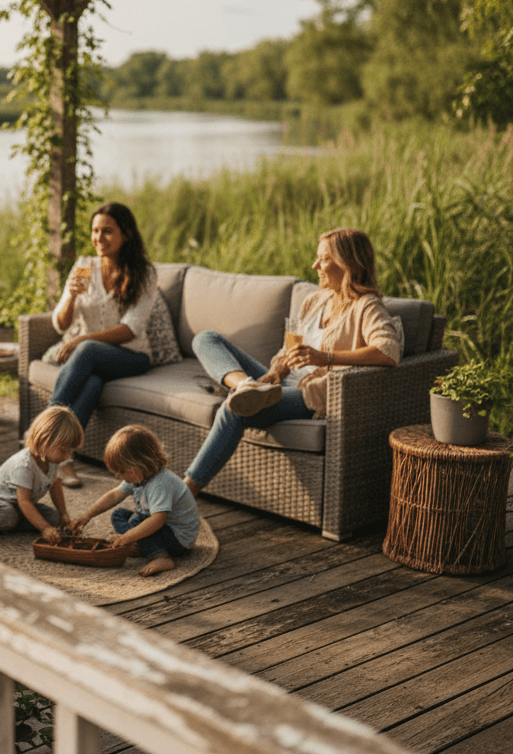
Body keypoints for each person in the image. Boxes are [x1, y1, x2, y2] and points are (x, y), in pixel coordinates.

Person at [183, 227, 401, 498]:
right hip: (279, 384)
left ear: (348, 263)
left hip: (311, 395)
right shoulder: (314, 300)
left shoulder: (366, 306)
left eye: (323, 259)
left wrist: (326, 357)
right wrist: (276, 370)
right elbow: (288, 350)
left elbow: (388, 350)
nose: (314, 265)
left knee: (233, 409)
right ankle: (247, 386)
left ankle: (185, 493)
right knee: (206, 338)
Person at [47, 202, 157, 488]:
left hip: (132, 357)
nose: (98, 238)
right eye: (95, 231)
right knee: (93, 383)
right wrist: (70, 296)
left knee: (86, 350)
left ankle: (43, 436)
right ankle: (62, 460)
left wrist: (83, 339)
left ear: (126, 234)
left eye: (107, 231)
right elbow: (60, 324)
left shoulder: (144, 273)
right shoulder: (85, 267)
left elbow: (131, 329)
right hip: (92, 359)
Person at [69, 425, 199, 577]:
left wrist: (128, 536)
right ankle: (144, 544)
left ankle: (162, 557)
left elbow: (158, 521)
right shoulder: (140, 475)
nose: (118, 475)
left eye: (122, 471)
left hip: (179, 539)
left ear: (139, 464)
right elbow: (115, 495)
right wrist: (87, 515)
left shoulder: (160, 483)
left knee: (138, 521)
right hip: (161, 527)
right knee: (118, 515)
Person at [0, 405, 81, 555]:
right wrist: (44, 528)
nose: (68, 455)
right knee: (8, 516)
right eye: (64, 450)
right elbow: (24, 501)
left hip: (21, 505)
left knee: (53, 518)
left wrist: (63, 513)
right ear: (45, 441)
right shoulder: (24, 465)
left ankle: (10, 524)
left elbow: (55, 486)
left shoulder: (53, 461)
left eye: (71, 450)